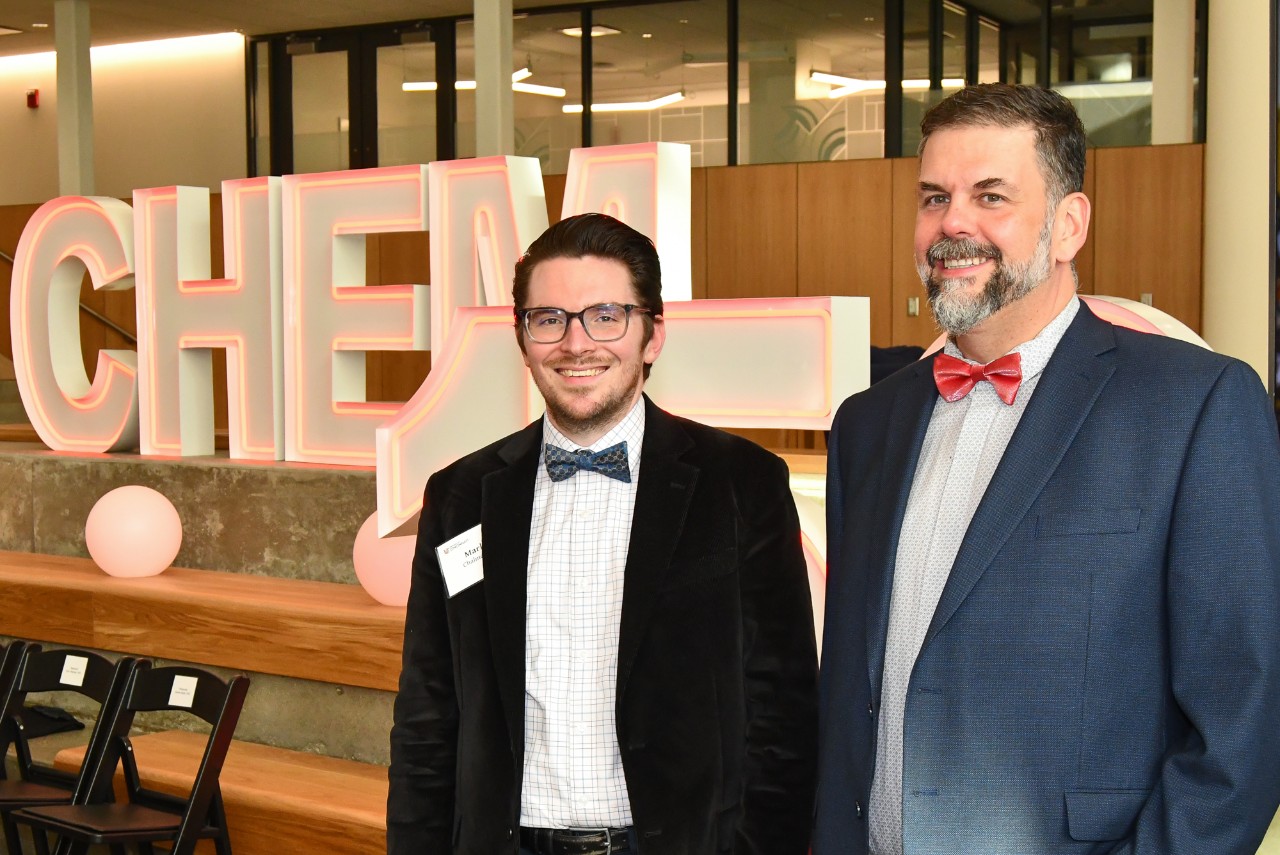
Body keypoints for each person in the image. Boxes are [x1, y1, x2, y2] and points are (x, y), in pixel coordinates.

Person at [815, 83, 1280, 854]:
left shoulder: (1196, 405)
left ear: (1068, 225)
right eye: (934, 197)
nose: (951, 223)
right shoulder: (867, 425)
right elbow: (848, 697)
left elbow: (1244, 715)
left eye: (989, 195)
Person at [388, 212, 818, 855]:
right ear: (523, 338)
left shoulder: (741, 484)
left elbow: (781, 708)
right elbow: (429, 711)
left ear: (652, 336)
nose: (576, 342)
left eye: (606, 315)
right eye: (549, 318)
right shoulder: (459, 497)